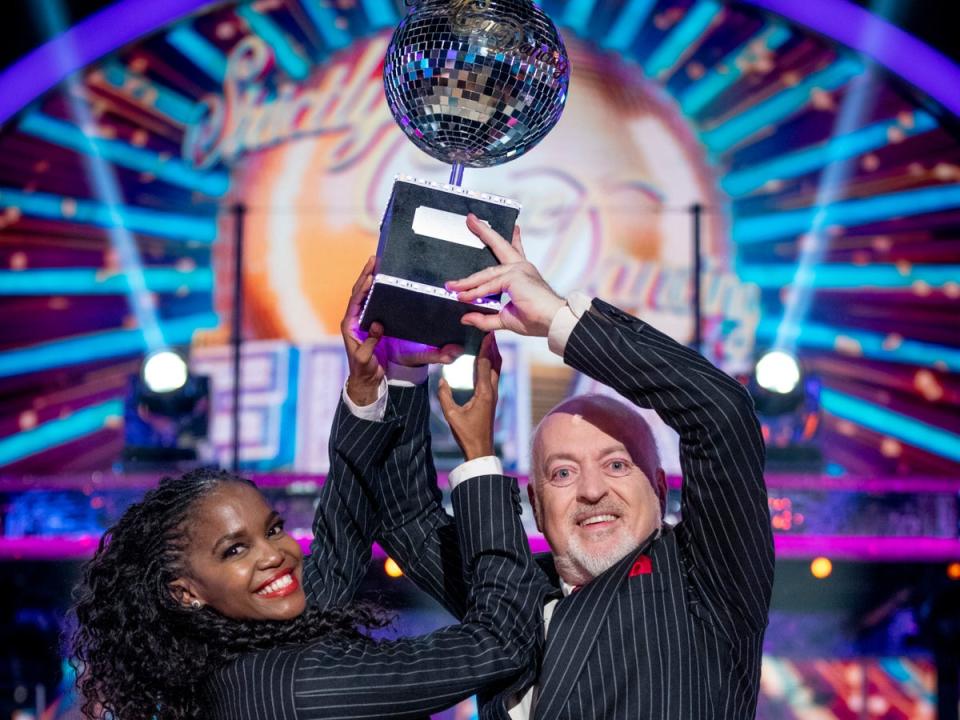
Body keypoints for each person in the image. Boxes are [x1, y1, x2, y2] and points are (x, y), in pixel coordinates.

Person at [338, 216, 775, 718]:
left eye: (616, 464)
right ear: (537, 510)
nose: (592, 490)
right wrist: (397, 362)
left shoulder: (704, 582)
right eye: (562, 473)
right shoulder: (510, 598)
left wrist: (557, 319)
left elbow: (721, 413)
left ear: (659, 488)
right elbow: (405, 518)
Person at [68, 261, 546, 720]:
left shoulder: (240, 650)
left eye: (273, 530)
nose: (275, 554)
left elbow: (339, 545)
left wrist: (388, 374)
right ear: (186, 592)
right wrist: (480, 458)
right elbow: (500, 641)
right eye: (235, 549)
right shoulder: (299, 688)